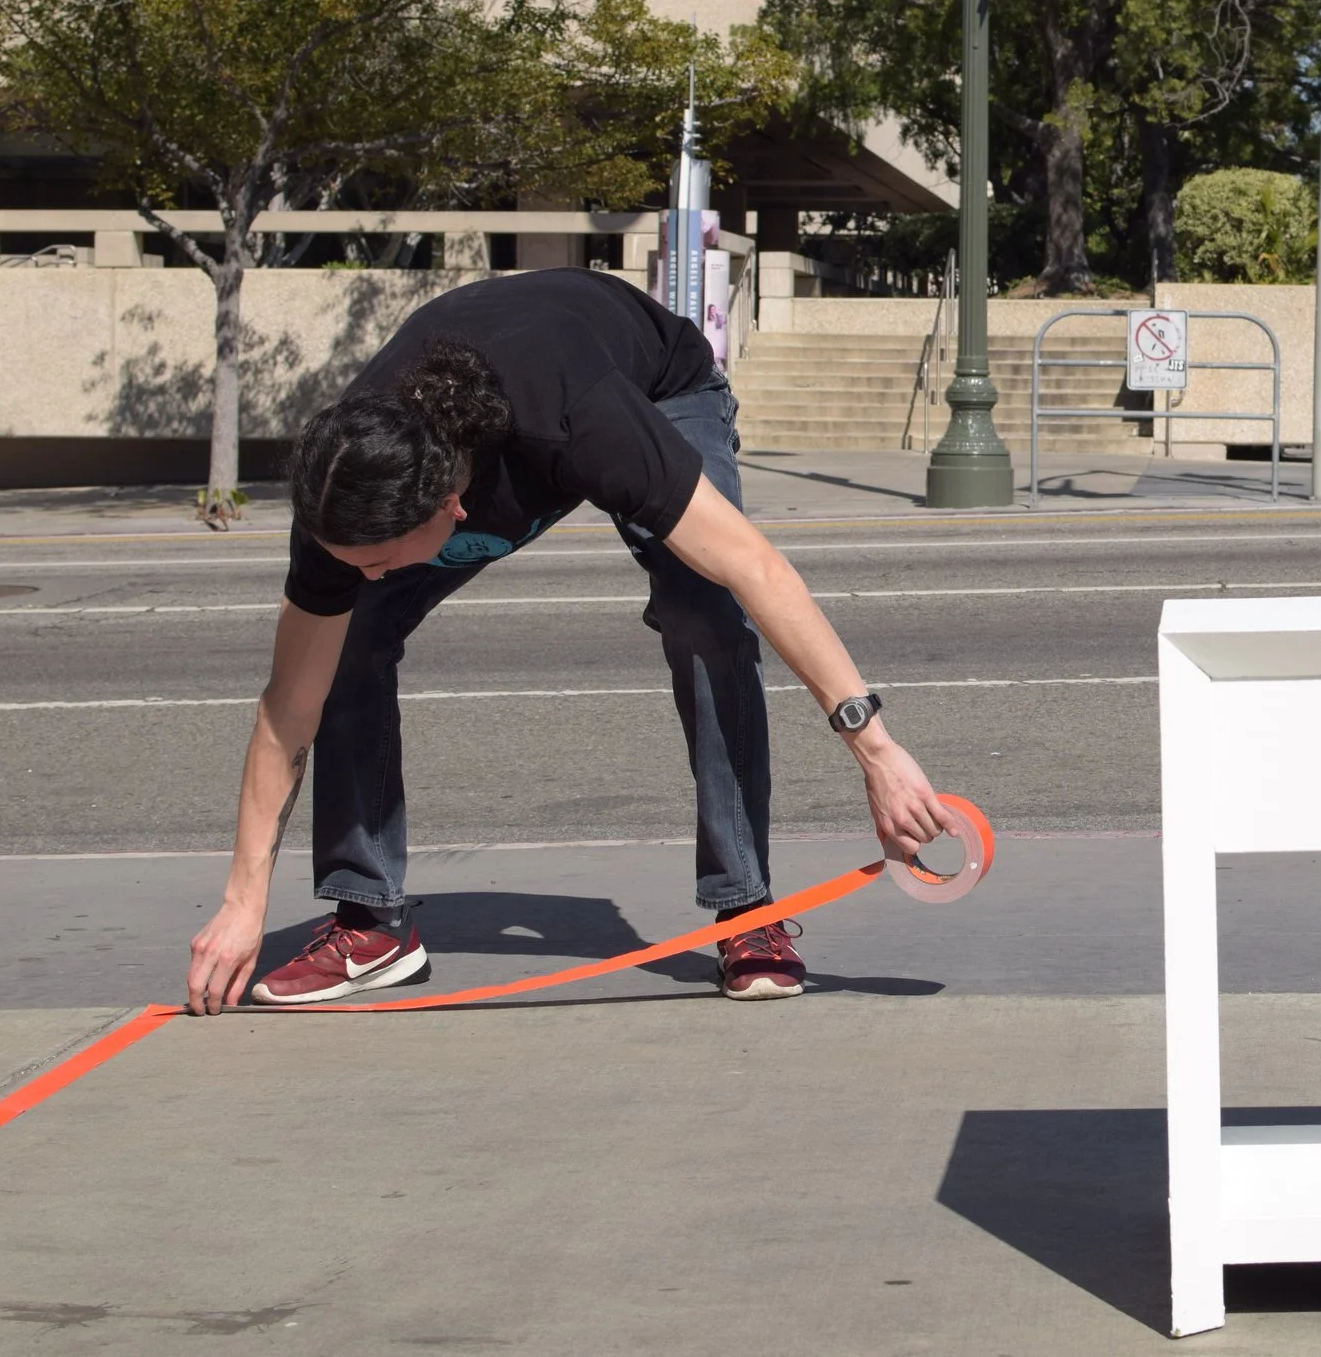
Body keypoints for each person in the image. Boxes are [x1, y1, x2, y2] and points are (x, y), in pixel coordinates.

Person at [184, 268, 947, 1014]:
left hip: (654, 387)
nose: (368, 575)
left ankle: (747, 908)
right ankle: (370, 921)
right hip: (515, 400)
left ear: (452, 507)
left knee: (704, 610)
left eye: (379, 561)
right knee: (351, 633)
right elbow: (289, 706)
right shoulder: (347, 483)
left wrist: (877, 751)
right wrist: (243, 903)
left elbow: (756, 566)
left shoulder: (584, 421)